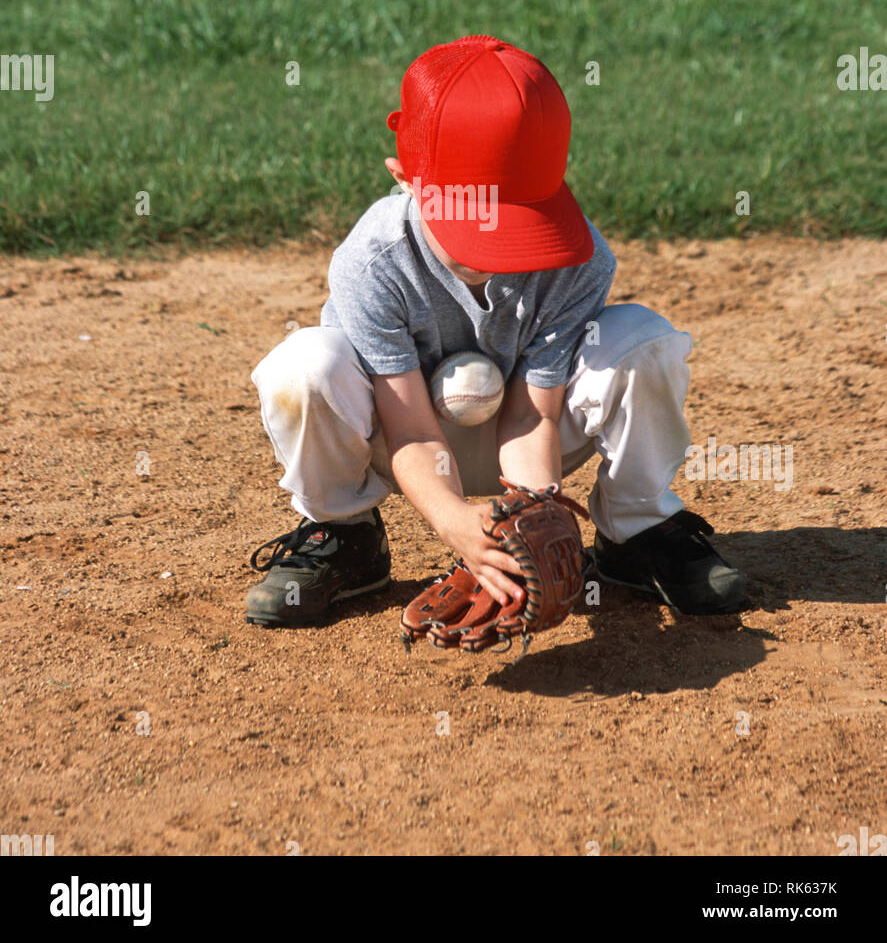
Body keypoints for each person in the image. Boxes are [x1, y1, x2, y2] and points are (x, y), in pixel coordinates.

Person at [245, 35, 746, 627]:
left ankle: (635, 532)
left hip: (539, 426)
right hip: (398, 436)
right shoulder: (373, 261)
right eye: (476, 230)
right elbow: (408, 427)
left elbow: (531, 415)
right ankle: (344, 533)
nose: (497, 252)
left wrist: (535, 521)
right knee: (303, 369)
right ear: (405, 178)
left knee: (643, 343)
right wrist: (457, 522)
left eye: (519, 226)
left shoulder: (575, 257)